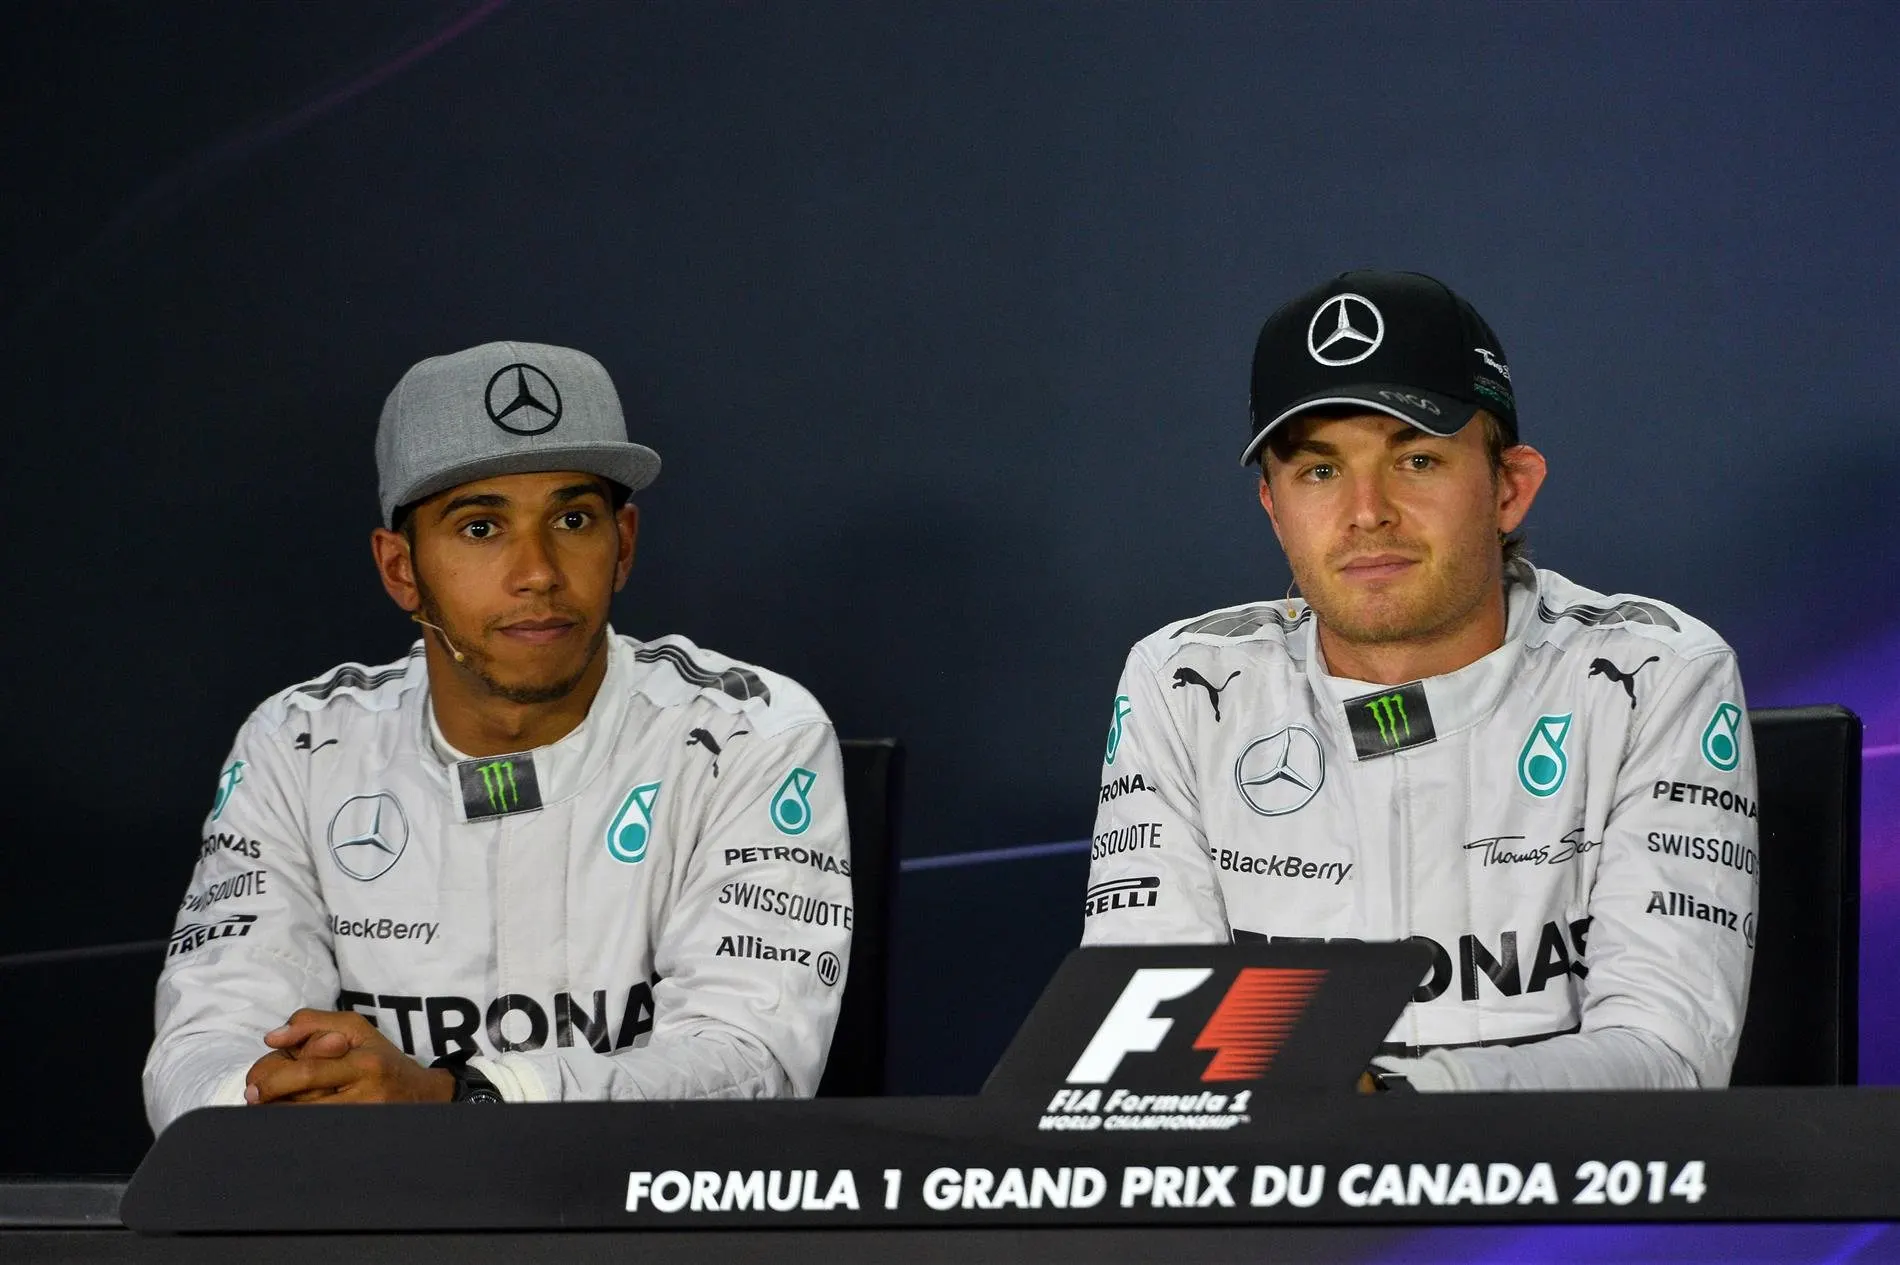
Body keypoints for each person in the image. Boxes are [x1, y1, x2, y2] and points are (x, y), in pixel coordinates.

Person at [145, 343, 851, 1130]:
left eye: (573, 520)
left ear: (623, 543)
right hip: (373, 1204)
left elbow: (750, 1060)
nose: (538, 571)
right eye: (481, 527)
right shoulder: (302, 744)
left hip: (634, 1206)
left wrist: (461, 1102)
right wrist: (273, 1095)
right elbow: (201, 1043)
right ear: (401, 569)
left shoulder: (749, 733)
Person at [1083, 271, 1757, 1092]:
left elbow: (1669, 1059)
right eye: (1319, 471)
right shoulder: (1185, 685)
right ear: (1272, 507)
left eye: (1417, 458)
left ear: (1509, 487)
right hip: (1280, 1175)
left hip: (1556, 1181)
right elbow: (1152, 1060)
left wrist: (1393, 1106)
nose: (1367, 511)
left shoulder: (1654, 675)